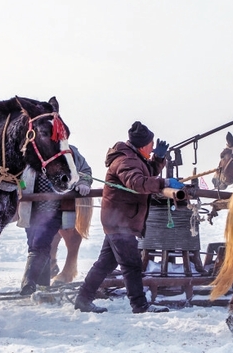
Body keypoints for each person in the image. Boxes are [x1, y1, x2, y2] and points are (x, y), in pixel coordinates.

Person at [74, 121, 181, 314]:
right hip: (120, 220)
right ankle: (139, 305)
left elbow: (145, 173)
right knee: (132, 264)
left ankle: (83, 299)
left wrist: (158, 159)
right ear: (142, 145)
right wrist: (164, 182)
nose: (153, 146)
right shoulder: (125, 161)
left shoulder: (134, 158)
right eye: (151, 144)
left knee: (105, 263)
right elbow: (137, 182)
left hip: (120, 219)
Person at [20, 144, 93, 295]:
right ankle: (42, 286)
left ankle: (28, 283)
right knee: (35, 245)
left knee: (40, 244)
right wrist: (20, 187)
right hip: (32, 210)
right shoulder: (27, 153)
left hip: (54, 210)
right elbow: (18, 176)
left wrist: (84, 182)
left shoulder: (69, 152)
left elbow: (85, 171)